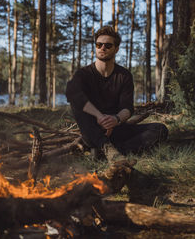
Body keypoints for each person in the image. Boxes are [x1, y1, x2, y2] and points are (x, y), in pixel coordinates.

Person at [66, 26, 168, 163]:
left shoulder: (124, 76)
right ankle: (106, 148)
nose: (102, 48)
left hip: (115, 129)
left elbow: (127, 108)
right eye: (99, 44)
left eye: (108, 45)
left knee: (160, 129)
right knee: (76, 102)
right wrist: (100, 117)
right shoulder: (83, 74)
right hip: (92, 129)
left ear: (116, 49)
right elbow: (73, 95)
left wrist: (116, 119)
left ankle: (107, 153)